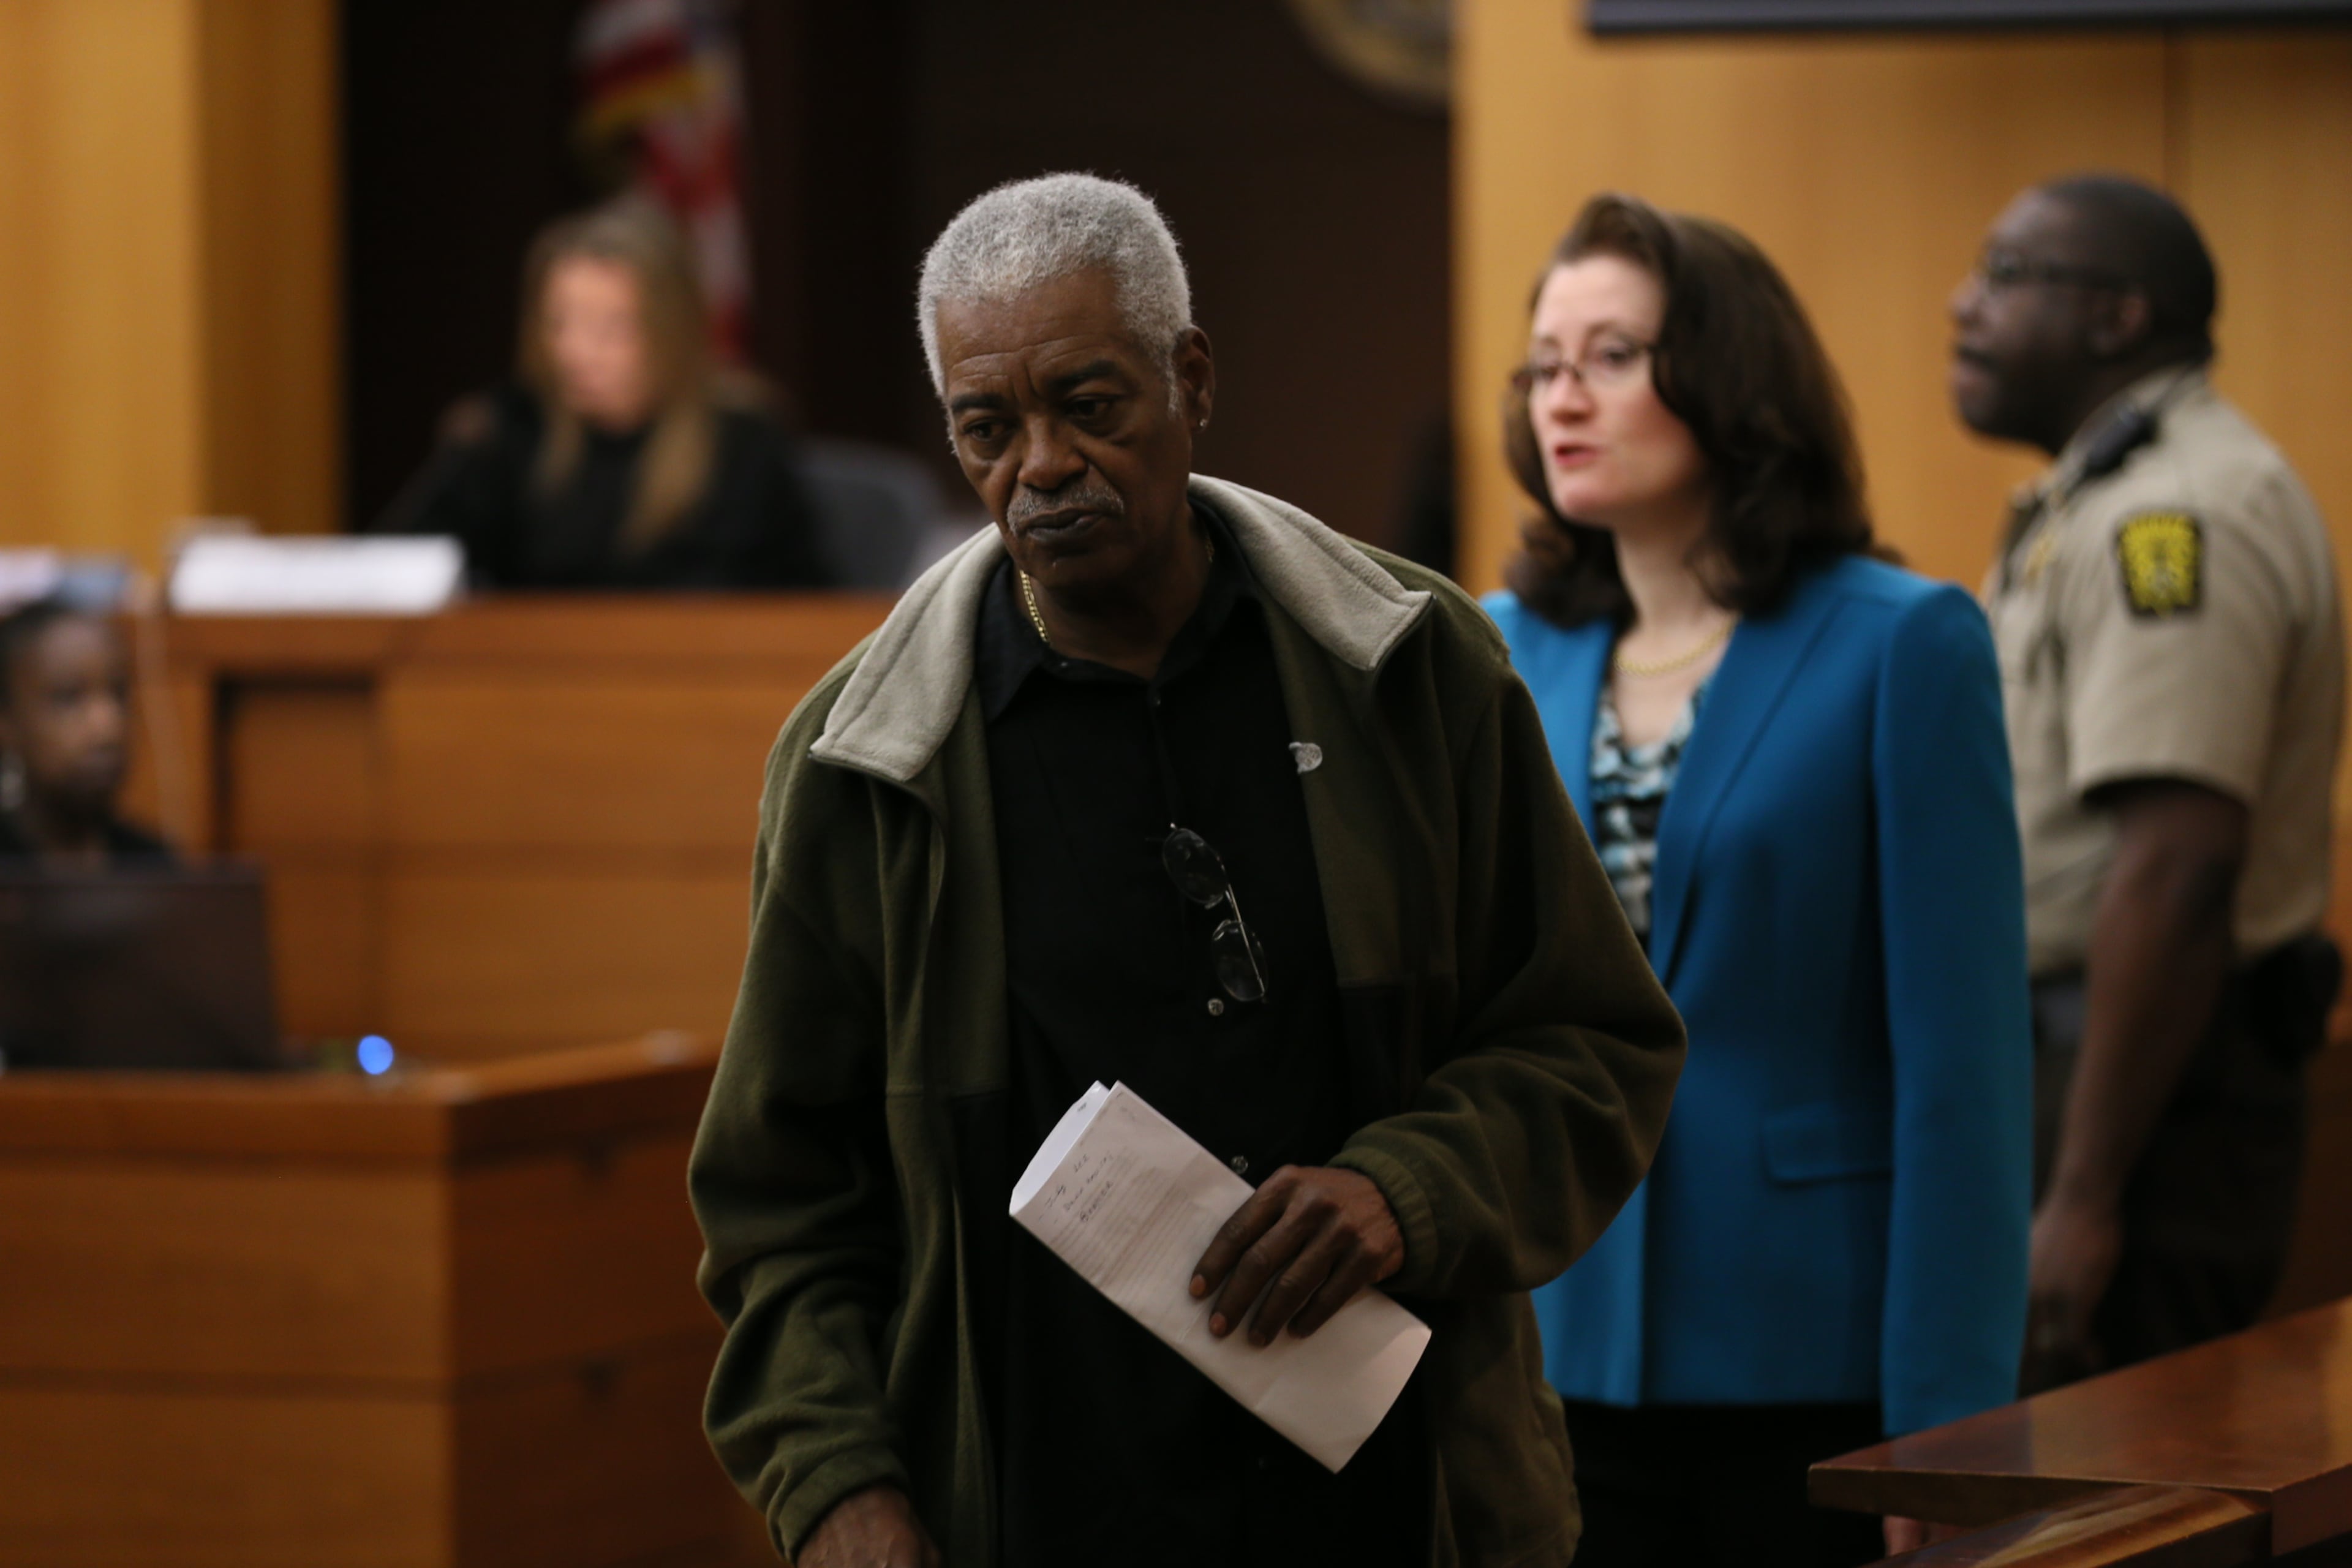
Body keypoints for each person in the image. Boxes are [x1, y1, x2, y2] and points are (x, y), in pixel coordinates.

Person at [687, 173, 1687, 1568]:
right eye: (987, 427)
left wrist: (1404, 1189)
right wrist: (836, 1481)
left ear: (1190, 377)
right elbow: (784, 1203)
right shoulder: (870, 764)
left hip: (1393, 1496)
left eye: (1088, 404)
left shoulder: (1405, 669)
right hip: (1027, 1498)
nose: (1037, 465)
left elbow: (1589, 1037)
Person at [1483, 192, 2032, 1567]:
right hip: (1550, 1336)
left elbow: (1963, 1071)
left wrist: (1952, 1420)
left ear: (1727, 377)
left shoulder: (1904, 644)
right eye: (1546, 363)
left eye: (1613, 355)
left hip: (1809, 1353)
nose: (1568, 395)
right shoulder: (1489, 651)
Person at [1951, 175, 2345, 1393]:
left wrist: (2081, 1195)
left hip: (2143, 1098)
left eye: (2007, 277)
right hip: (2097, 1071)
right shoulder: (2109, 493)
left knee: (2104, 1492)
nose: (1964, 305)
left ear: (2117, 318)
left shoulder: (2171, 515)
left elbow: (2178, 864)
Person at [377, 201, 831, 590]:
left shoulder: (743, 445)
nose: (577, 352)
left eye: (611, 328)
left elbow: (800, 615)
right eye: (560, 324)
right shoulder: (508, 431)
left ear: (672, 330)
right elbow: (397, 575)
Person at [0, 599, 172, 867]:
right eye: (69, 698)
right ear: (7, 722)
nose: (108, 727)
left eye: (119, 694)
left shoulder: (154, 867)